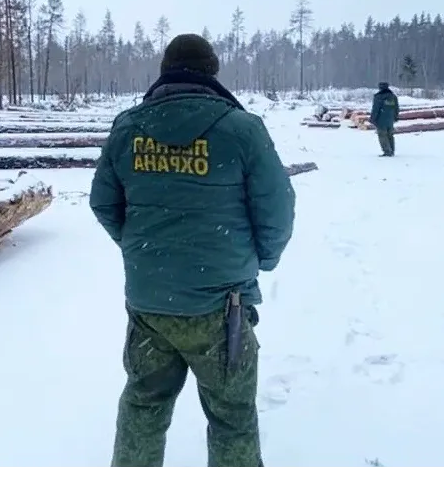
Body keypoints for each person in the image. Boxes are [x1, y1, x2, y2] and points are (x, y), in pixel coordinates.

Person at [89, 33, 296, 469]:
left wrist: (144, 253)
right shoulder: (242, 129)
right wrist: (264, 258)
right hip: (222, 308)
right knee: (232, 413)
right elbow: (276, 208)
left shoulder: (128, 128)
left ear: (165, 71)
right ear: (212, 72)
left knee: (144, 403)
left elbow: (104, 203)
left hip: (150, 303)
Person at [369, 81, 399, 157]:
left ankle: (387, 151)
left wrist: (372, 119)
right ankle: (391, 150)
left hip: (381, 120)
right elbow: (396, 108)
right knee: (390, 135)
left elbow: (375, 109)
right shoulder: (393, 96)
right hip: (390, 119)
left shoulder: (378, 97)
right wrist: (395, 117)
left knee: (382, 135)